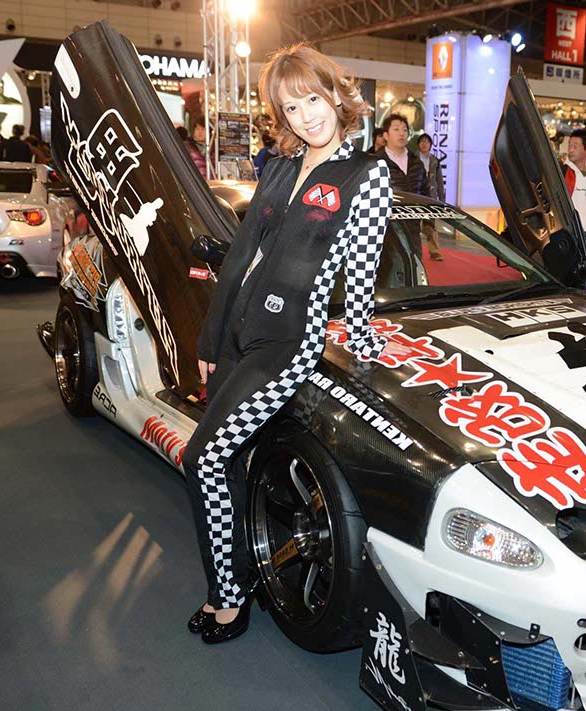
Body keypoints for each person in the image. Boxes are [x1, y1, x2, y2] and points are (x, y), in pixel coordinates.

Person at [182, 42, 407, 645]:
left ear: (337, 94)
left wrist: (362, 343)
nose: (306, 116)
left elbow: (360, 272)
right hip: (239, 332)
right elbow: (240, 257)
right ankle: (242, 569)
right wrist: (211, 334)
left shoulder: (366, 174)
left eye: (313, 99)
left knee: (201, 457)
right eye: (290, 106)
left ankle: (229, 599)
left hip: (289, 343)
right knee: (220, 457)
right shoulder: (278, 167)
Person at [375, 113, 440, 259]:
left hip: (413, 230)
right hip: (386, 232)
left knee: (415, 269)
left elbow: (425, 193)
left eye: (405, 130)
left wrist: (428, 221)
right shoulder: (376, 162)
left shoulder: (416, 162)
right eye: (396, 129)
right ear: (386, 135)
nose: (402, 133)